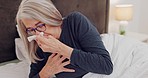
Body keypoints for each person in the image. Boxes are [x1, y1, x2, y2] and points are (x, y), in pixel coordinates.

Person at [16, 0, 113, 78]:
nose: (38, 34)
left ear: (51, 16)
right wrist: (45, 73)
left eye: (40, 25)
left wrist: (61, 49)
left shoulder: (75, 22)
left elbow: (106, 66)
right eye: (31, 30)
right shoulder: (38, 46)